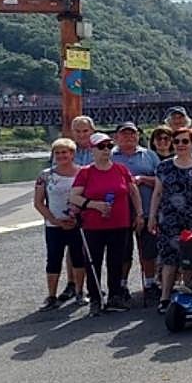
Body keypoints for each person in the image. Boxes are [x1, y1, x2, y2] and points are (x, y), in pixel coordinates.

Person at [68, 132, 142, 315]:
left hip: (120, 223)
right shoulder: (86, 172)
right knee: (93, 262)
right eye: (101, 147)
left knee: (116, 261)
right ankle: (95, 298)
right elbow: (74, 196)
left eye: (109, 146)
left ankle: (115, 296)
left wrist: (139, 214)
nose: (106, 150)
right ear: (92, 149)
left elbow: (133, 193)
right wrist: (94, 205)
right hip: (94, 225)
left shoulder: (121, 169)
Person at [148, 127, 192, 313]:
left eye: (185, 141)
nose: (180, 145)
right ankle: (165, 297)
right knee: (169, 258)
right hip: (169, 218)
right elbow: (157, 193)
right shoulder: (164, 166)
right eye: (176, 141)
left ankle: (186, 292)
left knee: (191, 256)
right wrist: (152, 216)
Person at [111, 122, 160, 303]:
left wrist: (143, 179)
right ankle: (121, 285)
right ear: (117, 137)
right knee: (123, 252)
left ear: (138, 136)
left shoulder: (150, 155)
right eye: (124, 134)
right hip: (120, 213)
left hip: (147, 210)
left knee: (148, 251)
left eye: (132, 134)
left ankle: (149, 284)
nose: (129, 137)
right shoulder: (111, 156)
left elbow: (161, 181)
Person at [33, 138, 83, 310]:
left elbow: (87, 198)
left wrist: (76, 218)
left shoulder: (83, 173)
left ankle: (79, 292)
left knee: (79, 258)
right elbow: (39, 202)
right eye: (58, 152)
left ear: (72, 154)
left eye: (65, 152)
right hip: (54, 225)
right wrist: (53, 220)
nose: (61, 156)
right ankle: (52, 296)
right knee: (53, 259)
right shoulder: (45, 175)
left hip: (77, 224)